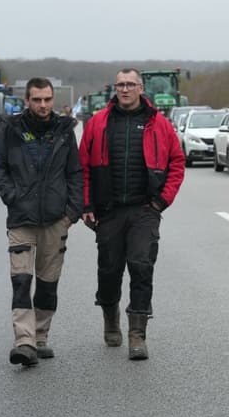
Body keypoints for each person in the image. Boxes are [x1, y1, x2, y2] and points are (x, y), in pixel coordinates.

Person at [79, 68, 185, 360]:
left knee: (141, 266)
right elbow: (83, 167)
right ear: (115, 88)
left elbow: (177, 162)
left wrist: (162, 201)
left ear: (141, 88)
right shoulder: (98, 122)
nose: (124, 89)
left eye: (130, 84)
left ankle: (137, 334)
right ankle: (110, 318)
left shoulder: (159, 124)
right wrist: (86, 205)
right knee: (109, 271)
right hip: (108, 211)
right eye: (120, 85)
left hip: (144, 209)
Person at [0, 77, 83, 367]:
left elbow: (75, 173)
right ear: (27, 101)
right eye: (37, 100)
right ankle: (25, 341)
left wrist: (72, 213)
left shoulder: (65, 131)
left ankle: (40, 337)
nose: (43, 105)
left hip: (56, 220)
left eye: (47, 99)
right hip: (22, 219)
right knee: (21, 281)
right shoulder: (11, 129)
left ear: (52, 100)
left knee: (47, 284)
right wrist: (12, 197)